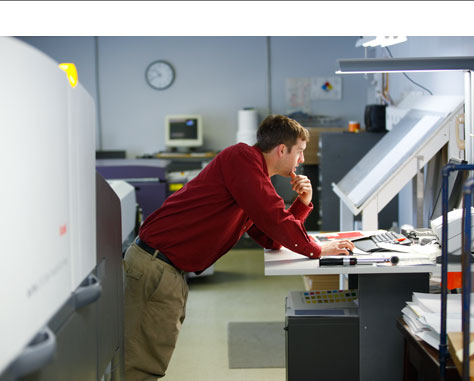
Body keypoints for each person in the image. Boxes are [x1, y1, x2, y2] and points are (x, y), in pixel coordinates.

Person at [123, 114, 354, 380]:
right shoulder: (242, 159)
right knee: (139, 365)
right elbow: (274, 215)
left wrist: (303, 202)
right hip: (154, 267)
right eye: (299, 152)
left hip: (165, 271)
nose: (302, 160)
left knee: (146, 360)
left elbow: (271, 237)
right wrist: (318, 249)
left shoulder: (252, 176)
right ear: (282, 150)